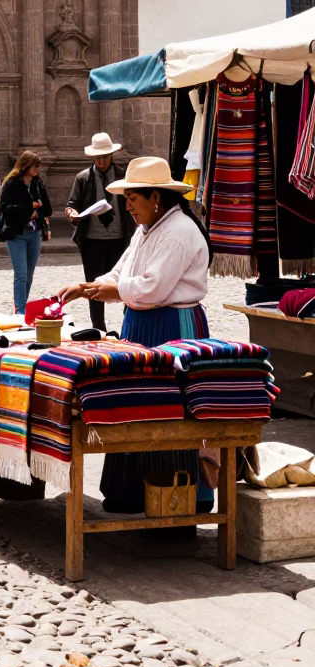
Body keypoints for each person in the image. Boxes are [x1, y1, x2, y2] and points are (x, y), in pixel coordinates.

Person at [58, 155, 212, 518]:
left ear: (155, 197)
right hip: (142, 326)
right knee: (135, 403)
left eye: (133, 200)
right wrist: (87, 287)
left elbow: (153, 288)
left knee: (172, 408)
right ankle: (129, 493)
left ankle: (177, 500)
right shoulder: (148, 230)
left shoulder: (179, 232)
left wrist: (109, 292)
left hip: (174, 328)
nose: (127, 207)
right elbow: (121, 271)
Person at [65, 132, 134, 331]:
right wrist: (72, 214)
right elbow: (72, 204)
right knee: (94, 286)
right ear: (92, 157)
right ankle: (99, 328)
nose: (102, 161)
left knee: (125, 285)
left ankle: (128, 326)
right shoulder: (83, 178)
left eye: (105, 156)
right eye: (98, 157)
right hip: (92, 241)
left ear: (112, 155)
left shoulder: (123, 176)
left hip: (120, 239)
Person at [0, 151, 52, 314]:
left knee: (29, 274)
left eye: (38, 166)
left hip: (35, 233)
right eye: (35, 166)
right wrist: (30, 207)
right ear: (26, 165)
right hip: (17, 233)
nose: (37, 169)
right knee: (20, 274)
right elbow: (5, 209)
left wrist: (41, 208)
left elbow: (48, 208)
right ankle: (20, 310)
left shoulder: (38, 184)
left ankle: (22, 305)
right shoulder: (11, 184)